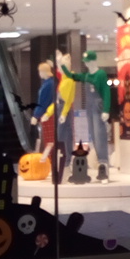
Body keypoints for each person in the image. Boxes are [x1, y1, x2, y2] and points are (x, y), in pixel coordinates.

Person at [61, 50, 111, 182]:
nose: (87, 64)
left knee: (99, 135)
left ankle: (103, 164)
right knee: (93, 135)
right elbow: (72, 76)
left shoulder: (101, 74)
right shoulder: (87, 75)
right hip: (89, 107)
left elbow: (106, 91)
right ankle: (101, 165)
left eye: (88, 62)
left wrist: (106, 109)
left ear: (94, 61)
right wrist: (62, 66)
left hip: (98, 106)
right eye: (86, 62)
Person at [41, 50, 76, 183]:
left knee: (64, 137)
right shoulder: (63, 80)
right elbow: (58, 102)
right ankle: (63, 165)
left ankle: (66, 165)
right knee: (60, 137)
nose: (59, 69)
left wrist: (64, 113)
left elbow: (68, 101)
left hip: (65, 110)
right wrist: (48, 113)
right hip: (61, 109)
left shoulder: (69, 80)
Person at [31, 61, 56, 150]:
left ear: (43, 72)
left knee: (48, 141)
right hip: (49, 114)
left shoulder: (47, 85)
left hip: (47, 115)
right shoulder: (50, 82)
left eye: (40, 71)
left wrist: (35, 115)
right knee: (50, 140)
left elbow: (43, 102)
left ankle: (49, 157)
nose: (39, 73)